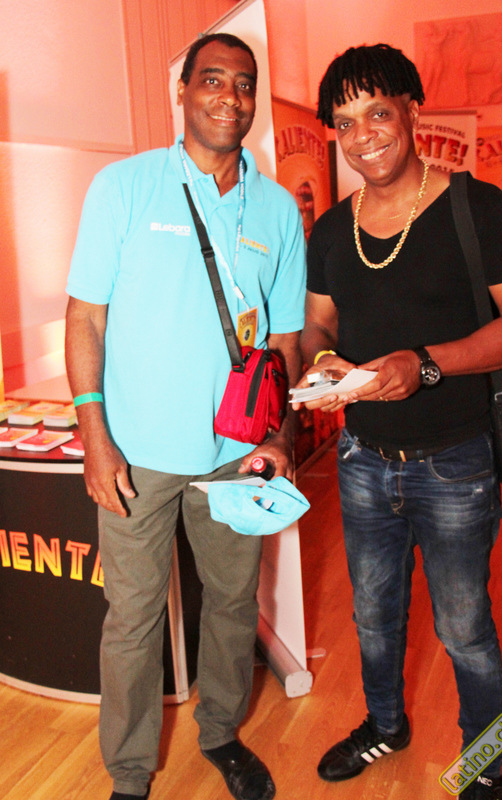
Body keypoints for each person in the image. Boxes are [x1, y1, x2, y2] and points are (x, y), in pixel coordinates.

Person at [65, 33, 306, 800]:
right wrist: (94, 434)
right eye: (212, 80)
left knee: (233, 603)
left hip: (235, 454)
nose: (230, 97)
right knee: (133, 616)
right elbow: (85, 317)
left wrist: (279, 435)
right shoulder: (124, 187)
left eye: (244, 84)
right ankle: (130, 773)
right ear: (183, 90)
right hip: (134, 453)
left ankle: (222, 733)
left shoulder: (278, 210)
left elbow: (285, 340)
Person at [292, 43, 502, 800]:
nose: (362, 135)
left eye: (377, 112)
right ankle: (386, 726)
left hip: (456, 463)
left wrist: (423, 363)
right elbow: (318, 326)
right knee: (372, 616)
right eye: (344, 123)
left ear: (412, 111)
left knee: (466, 628)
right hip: (363, 461)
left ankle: (484, 766)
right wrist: (324, 363)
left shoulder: (476, 208)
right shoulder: (333, 230)